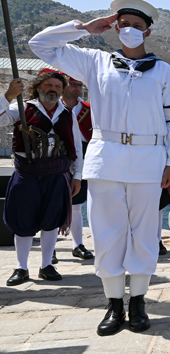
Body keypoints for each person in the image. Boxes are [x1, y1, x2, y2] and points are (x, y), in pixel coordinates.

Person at [29, 0, 170, 336]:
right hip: (106, 159)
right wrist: (84, 28)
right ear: (114, 27)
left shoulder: (163, 71)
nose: (130, 30)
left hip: (148, 160)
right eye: (123, 24)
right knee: (107, 232)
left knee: (144, 233)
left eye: (137, 26)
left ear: (148, 32)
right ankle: (114, 304)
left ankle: (138, 301)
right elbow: (39, 45)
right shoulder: (94, 62)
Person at [1, 70, 83, 286]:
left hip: (56, 173)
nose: (52, 90)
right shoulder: (22, 108)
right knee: (24, 220)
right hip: (27, 173)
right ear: (38, 87)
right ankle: (21, 267)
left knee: (51, 221)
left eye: (57, 87)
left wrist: (77, 176)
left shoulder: (67, 113)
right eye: (48, 85)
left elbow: (76, 147)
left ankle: (47, 265)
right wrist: (8, 96)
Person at [60, 74, 94, 260]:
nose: (78, 89)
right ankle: (51, 247)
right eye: (73, 84)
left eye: (80, 85)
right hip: (57, 152)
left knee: (77, 202)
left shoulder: (89, 109)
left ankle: (77, 244)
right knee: (51, 201)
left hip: (85, 152)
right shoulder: (52, 107)